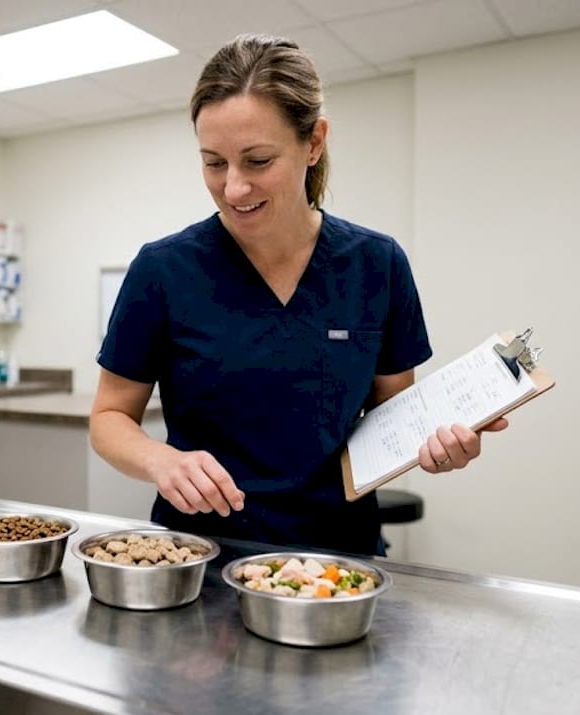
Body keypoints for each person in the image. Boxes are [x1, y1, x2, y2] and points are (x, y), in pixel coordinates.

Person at [90, 34, 507, 556]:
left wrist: (439, 446)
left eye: (258, 160)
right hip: (200, 557)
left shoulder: (376, 265)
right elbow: (109, 418)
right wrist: (160, 460)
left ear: (314, 142)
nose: (233, 187)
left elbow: (396, 417)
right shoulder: (162, 270)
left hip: (337, 562)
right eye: (214, 163)